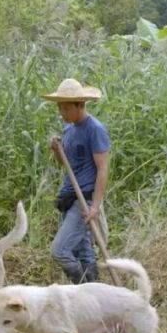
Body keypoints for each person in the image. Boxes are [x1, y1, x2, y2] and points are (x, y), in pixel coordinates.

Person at [43, 78, 110, 284]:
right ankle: (94, 292)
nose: (61, 113)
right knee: (85, 253)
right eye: (59, 108)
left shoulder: (95, 129)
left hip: (85, 200)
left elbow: (102, 168)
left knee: (60, 250)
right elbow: (67, 165)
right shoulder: (69, 130)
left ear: (80, 105)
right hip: (70, 197)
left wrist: (95, 206)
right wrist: (57, 150)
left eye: (65, 108)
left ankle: (81, 288)